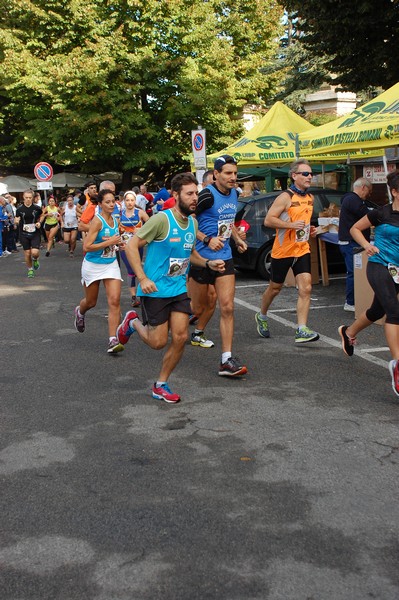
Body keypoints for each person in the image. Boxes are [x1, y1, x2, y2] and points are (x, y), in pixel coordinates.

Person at [116, 172, 225, 403]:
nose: (195, 198)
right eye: (190, 194)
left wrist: (207, 263)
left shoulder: (193, 223)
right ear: (176, 195)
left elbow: (190, 254)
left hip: (177, 289)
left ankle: (161, 383)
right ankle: (132, 322)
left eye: (196, 193)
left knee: (180, 336)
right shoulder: (161, 220)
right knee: (157, 342)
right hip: (155, 290)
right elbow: (131, 246)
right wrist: (142, 278)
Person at [338, 170, 399, 397]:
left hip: (398, 271)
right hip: (380, 264)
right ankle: (397, 365)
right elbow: (355, 228)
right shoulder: (381, 213)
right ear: (394, 191)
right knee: (394, 311)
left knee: (377, 310)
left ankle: (348, 332)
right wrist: (367, 245)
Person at [188, 155, 248, 376]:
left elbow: (228, 221)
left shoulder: (234, 193)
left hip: (225, 256)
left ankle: (226, 359)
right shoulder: (206, 195)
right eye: (228, 173)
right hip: (201, 259)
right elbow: (187, 221)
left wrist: (238, 239)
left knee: (228, 307)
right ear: (216, 175)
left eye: (235, 173)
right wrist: (206, 239)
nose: (233, 177)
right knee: (198, 308)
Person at [255, 159, 319, 343]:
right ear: (294, 176)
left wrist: (310, 230)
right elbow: (268, 221)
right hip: (283, 251)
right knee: (275, 288)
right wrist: (291, 225)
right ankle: (262, 315)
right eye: (305, 174)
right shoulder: (285, 197)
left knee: (306, 287)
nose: (309, 177)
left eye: (311, 174)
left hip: (301, 249)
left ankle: (302, 329)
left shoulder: (310, 198)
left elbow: (304, 223)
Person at [74, 189, 124, 354]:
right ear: (101, 204)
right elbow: (87, 246)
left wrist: (118, 244)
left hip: (110, 264)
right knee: (91, 302)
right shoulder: (97, 221)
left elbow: (113, 241)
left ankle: (112, 340)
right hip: (93, 265)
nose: (111, 204)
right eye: (108, 202)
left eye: (113, 201)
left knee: (115, 301)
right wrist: (109, 242)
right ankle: (80, 312)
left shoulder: (115, 220)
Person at [338, 177, 373, 311]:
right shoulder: (353, 200)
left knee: (355, 271)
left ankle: (353, 300)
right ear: (363, 187)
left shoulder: (349, 199)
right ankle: (350, 302)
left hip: (350, 242)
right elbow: (367, 215)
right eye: (368, 191)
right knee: (354, 272)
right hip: (351, 242)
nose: (368, 195)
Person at [119, 191, 149, 306]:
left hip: (137, 246)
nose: (130, 202)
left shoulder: (140, 213)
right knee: (131, 270)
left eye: (132, 200)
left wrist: (141, 230)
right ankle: (133, 296)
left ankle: (141, 293)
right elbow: (115, 228)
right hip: (124, 247)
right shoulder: (120, 214)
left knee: (137, 270)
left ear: (135, 201)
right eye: (127, 200)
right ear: (124, 201)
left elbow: (151, 225)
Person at [14, 189, 43, 277]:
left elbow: (41, 216)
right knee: (27, 253)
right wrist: (16, 221)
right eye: (26, 197)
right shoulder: (19, 209)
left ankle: (35, 259)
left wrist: (39, 222)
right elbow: (16, 219)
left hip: (35, 233)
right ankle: (30, 270)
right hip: (23, 233)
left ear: (33, 198)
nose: (28, 199)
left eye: (30, 198)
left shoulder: (37, 208)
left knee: (34, 253)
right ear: (23, 197)